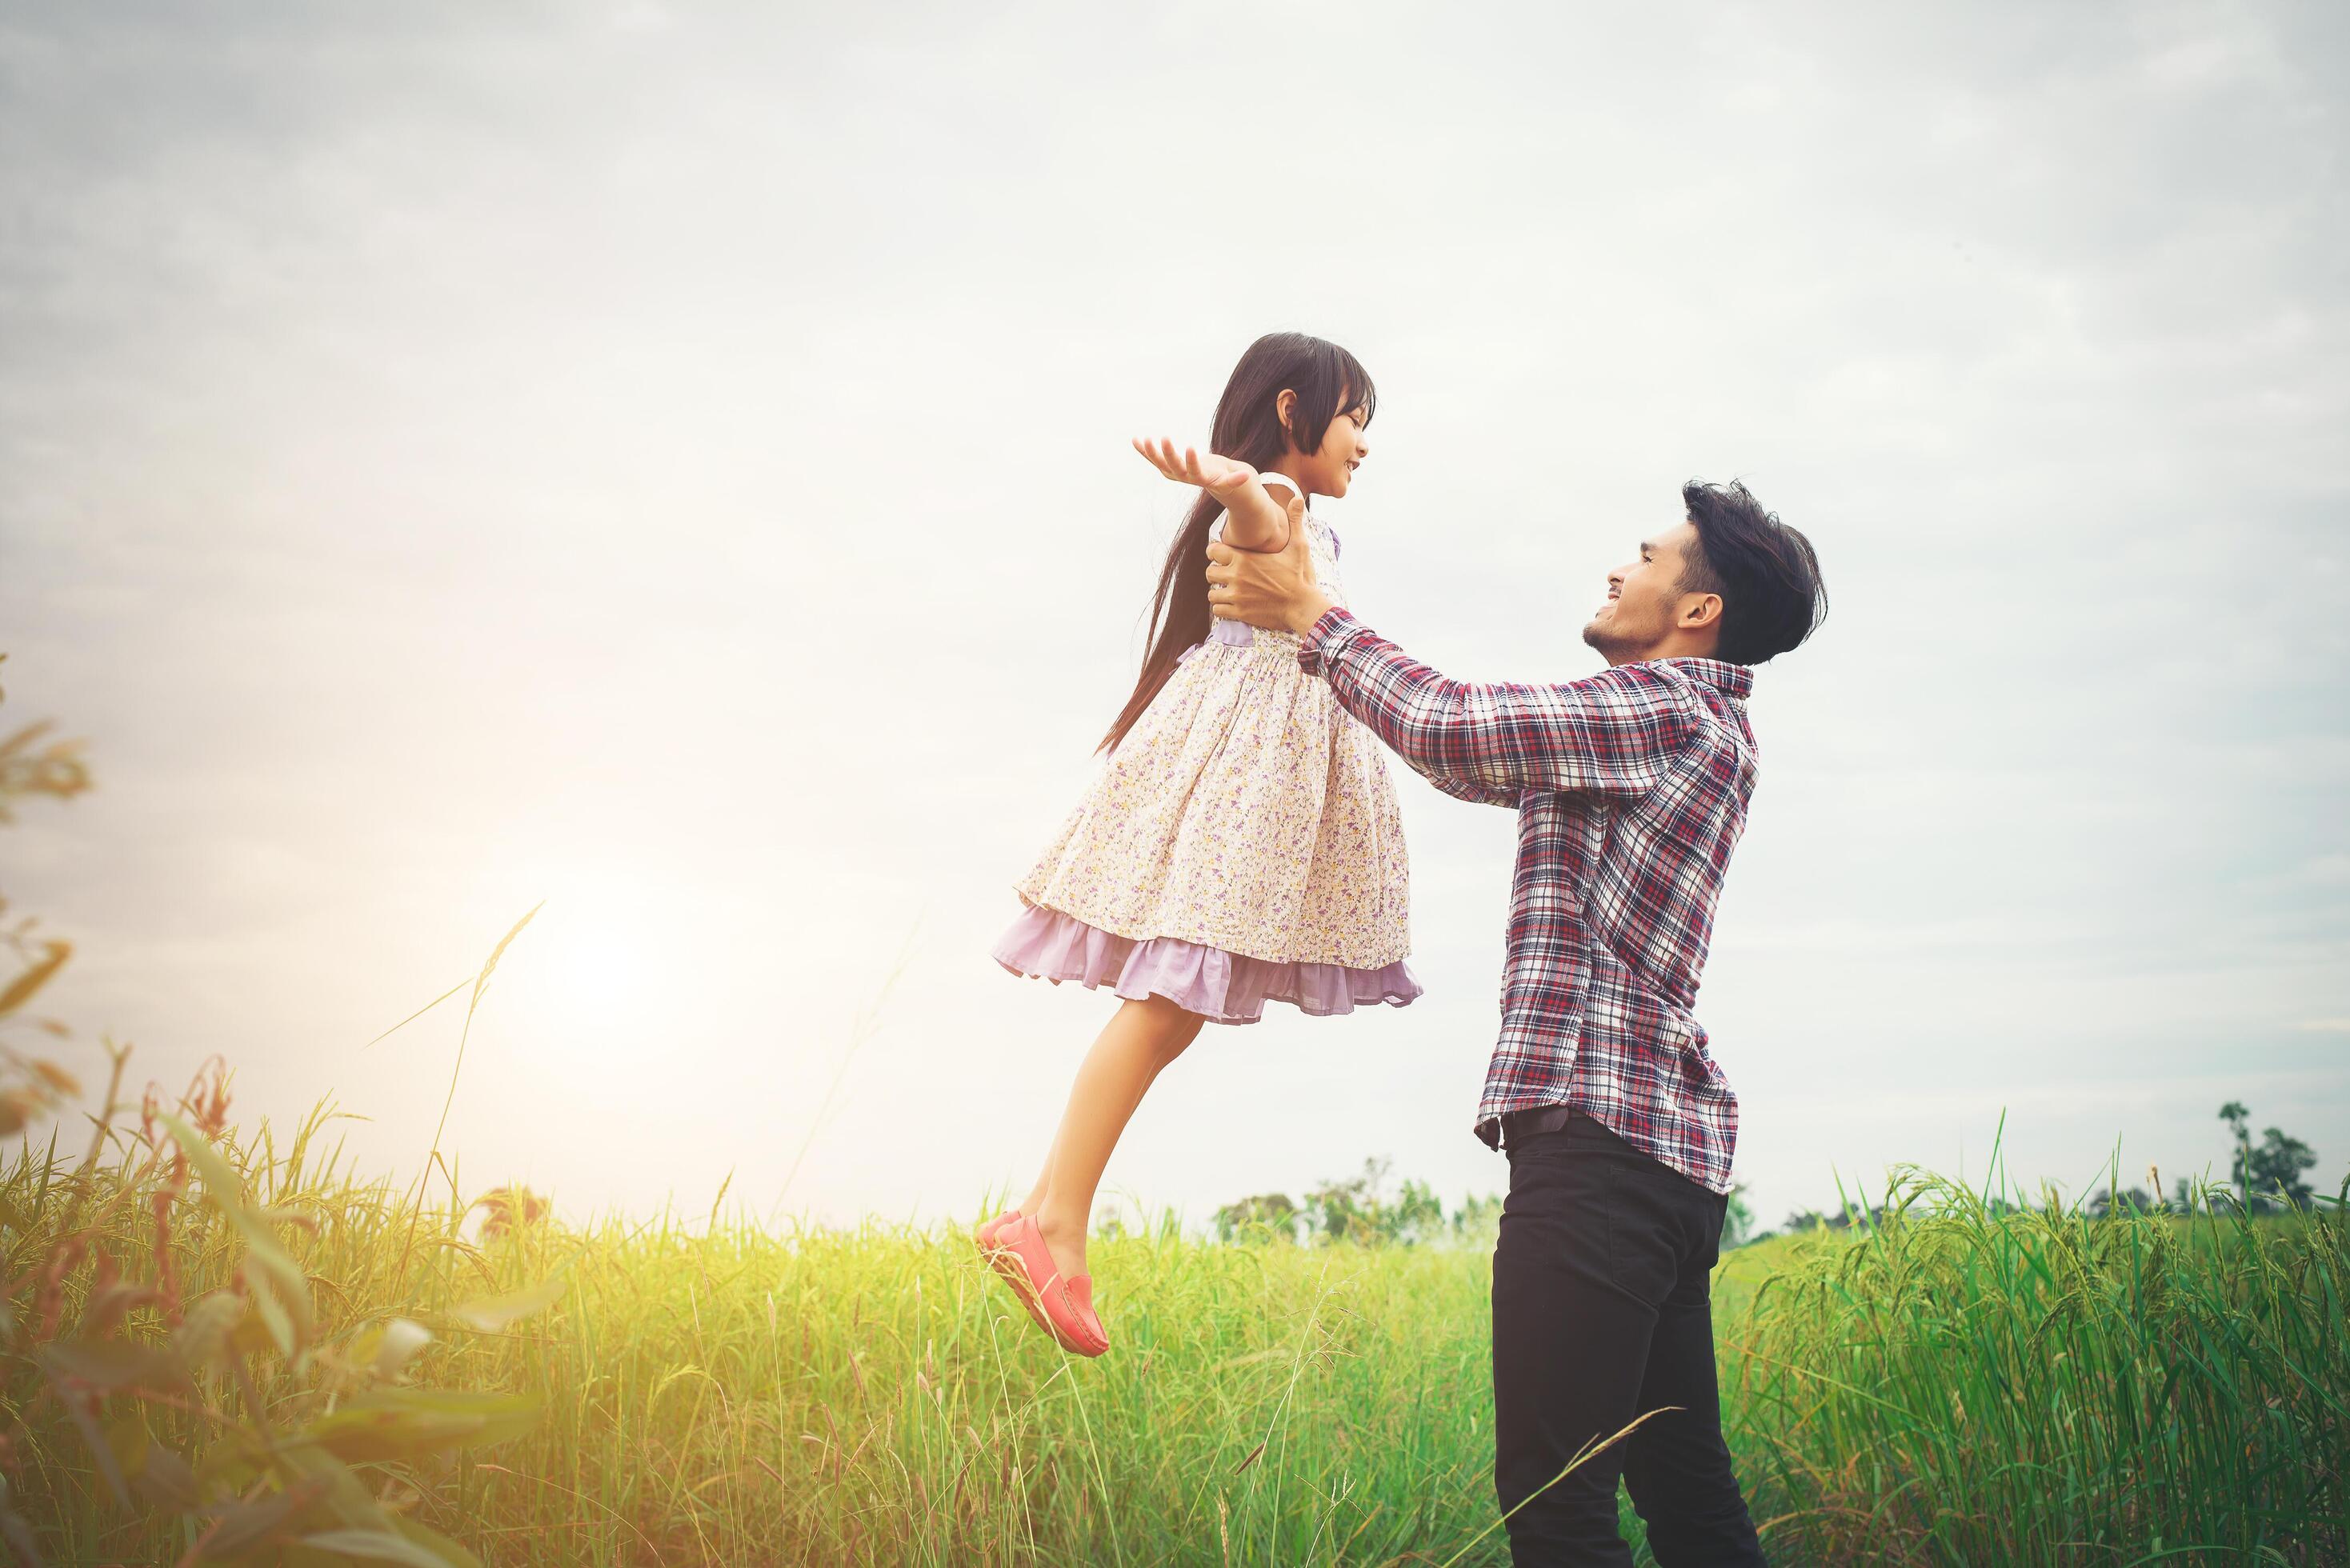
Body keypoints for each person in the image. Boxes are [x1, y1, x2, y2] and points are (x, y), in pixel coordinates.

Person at [1200, 476, 1824, 1566]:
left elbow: (1451, 726)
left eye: (1645, 555)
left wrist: (1312, 613)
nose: (1617, 568)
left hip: (1598, 1147)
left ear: (1696, 610)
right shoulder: (1689, 728)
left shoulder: (1665, 707)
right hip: (1661, 1157)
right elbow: (1471, 757)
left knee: (1557, 1497)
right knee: (1682, 1484)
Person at [978, 331, 1419, 1358]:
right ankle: (1050, 1222)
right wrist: (1238, 485)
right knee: (1166, 1005)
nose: (1364, 441)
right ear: (1290, 414)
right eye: (1354, 417)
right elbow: (1265, 515)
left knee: (1176, 1012)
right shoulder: (1279, 499)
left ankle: (1043, 1209)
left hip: (1245, 790)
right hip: (1240, 786)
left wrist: (1235, 486)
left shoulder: (1290, 509)